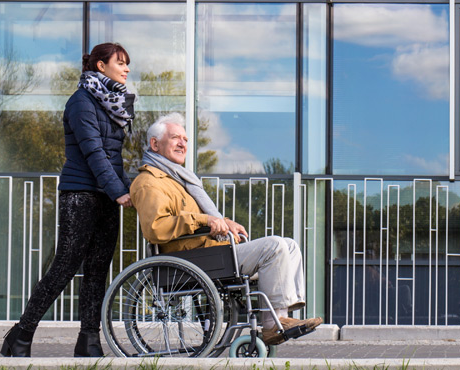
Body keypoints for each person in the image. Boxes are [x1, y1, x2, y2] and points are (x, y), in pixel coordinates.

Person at [129, 112, 323, 346]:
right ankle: (273, 325)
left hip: (209, 252)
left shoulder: (178, 178)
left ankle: (282, 319)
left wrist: (223, 222)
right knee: (274, 246)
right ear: (155, 144)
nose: (183, 144)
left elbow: (200, 216)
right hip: (192, 259)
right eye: (175, 138)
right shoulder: (149, 182)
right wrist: (205, 221)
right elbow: (155, 228)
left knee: (290, 245)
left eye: (186, 140)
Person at [0, 42, 135, 358]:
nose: (127, 68)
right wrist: (119, 191)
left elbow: (115, 156)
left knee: (98, 269)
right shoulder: (81, 102)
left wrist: (128, 189)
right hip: (80, 194)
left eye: (128, 64)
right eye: (121, 63)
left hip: (107, 195)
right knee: (64, 266)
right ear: (101, 66)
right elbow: (93, 152)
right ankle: (21, 334)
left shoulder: (115, 104)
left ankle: (88, 341)